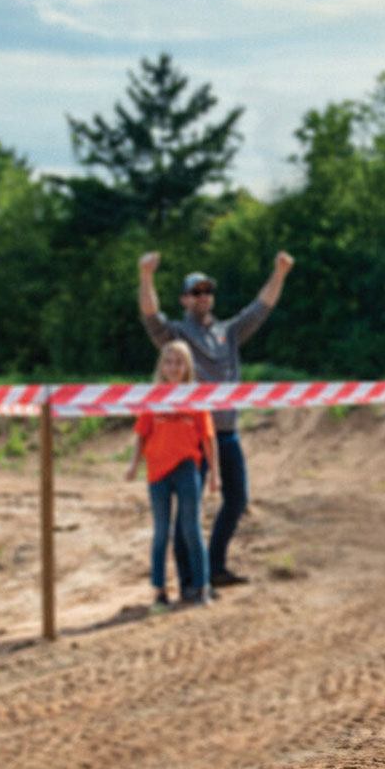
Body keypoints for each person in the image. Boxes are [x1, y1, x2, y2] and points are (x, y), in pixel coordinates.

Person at [138, 248, 293, 589]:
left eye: (207, 291)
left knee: (236, 499)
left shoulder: (230, 332)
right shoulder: (177, 335)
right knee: (188, 514)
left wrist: (279, 273)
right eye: (196, 292)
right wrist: (146, 276)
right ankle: (190, 580)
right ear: (184, 299)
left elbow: (261, 307)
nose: (203, 297)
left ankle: (215, 566)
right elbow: (151, 315)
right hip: (193, 437)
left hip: (227, 433)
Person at [125, 340, 219, 609]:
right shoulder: (153, 397)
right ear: (161, 366)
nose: (173, 367)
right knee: (161, 532)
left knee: (191, 528)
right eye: (168, 362)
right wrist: (134, 465)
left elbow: (208, 438)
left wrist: (215, 474)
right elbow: (142, 434)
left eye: (179, 362)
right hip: (157, 473)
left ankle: (202, 587)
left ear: (187, 366)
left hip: (188, 468)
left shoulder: (196, 398)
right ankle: (159, 591)